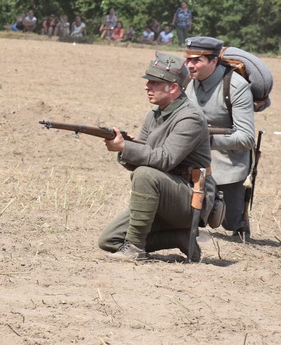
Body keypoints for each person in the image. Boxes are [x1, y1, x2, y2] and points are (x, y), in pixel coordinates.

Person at [98, 52, 215, 262]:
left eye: (154, 82)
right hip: (163, 194)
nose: (147, 86)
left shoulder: (191, 117)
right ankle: (179, 237)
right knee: (109, 241)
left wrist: (126, 147)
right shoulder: (154, 115)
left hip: (190, 198)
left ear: (173, 87)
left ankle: (134, 248)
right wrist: (125, 148)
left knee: (145, 175)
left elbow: (165, 159)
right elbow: (141, 160)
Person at [183, 36, 255, 237]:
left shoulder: (235, 86)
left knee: (229, 222)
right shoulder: (188, 81)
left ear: (214, 61)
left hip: (227, 162)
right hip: (192, 161)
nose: (189, 65)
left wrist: (207, 140)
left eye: (196, 60)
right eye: (187, 59)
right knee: (189, 215)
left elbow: (247, 138)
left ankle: (240, 217)